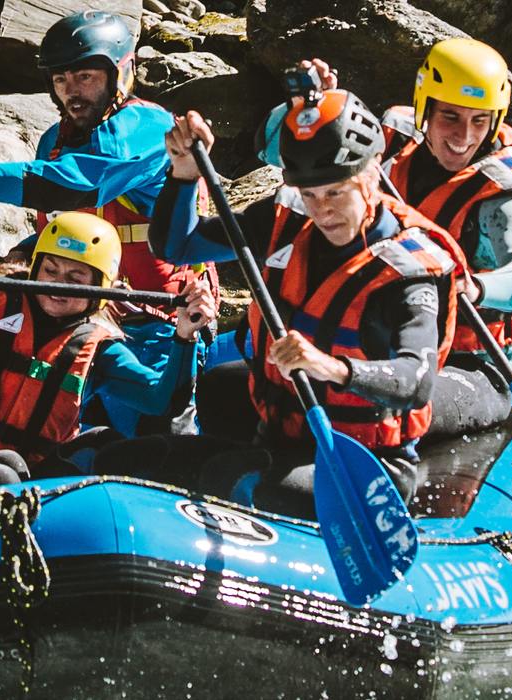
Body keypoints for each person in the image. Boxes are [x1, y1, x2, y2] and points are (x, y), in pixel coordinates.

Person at [126, 90, 469, 517]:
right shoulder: (284, 220)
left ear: (370, 177)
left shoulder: (409, 271)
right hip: (279, 438)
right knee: (124, 461)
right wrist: (182, 173)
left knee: (231, 479)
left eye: (336, 193)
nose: (322, 210)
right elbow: (177, 246)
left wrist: (329, 366)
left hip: (368, 466)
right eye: (310, 195)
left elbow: (416, 383)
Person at [0, 10, 218, 438]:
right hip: (77, 318)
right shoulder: (54, 139)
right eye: (60, 81)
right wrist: (26, 250)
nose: (72, 92)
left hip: (154, 321)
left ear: (119, 76)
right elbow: (65, 225)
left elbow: (76, 187)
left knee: (157, 436)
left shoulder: (147, 128)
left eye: (85, 77)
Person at [260, 42, 512, 361]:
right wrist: (316, 112)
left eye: (479, 120)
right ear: (425, 106)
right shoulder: (395, 138)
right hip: (368, 332)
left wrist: (473, 288)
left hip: (463, 359)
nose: (464, 136)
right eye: (450, 116)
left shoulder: (503, 194)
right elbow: (271, 151)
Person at [0, 212, 216, 489]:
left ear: (99, 288)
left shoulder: (99, 348)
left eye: (75, 277)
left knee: (102, 444)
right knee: (2, 470)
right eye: (50, 270)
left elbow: (162, 400)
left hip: (25, 483)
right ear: (35, 268)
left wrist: (185, 336)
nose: (57, 284)